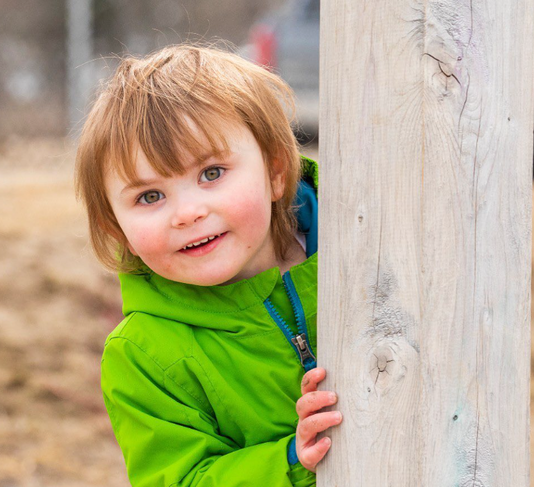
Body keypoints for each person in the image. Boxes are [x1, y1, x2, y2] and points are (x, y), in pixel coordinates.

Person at [74, 44, 342, 486]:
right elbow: (181, 479)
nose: (187, 213)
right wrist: (292, 460)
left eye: (211, 173)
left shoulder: (363, 247)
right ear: (118, 230)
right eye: (150, 196)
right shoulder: (142, 355)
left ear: (275, 171)